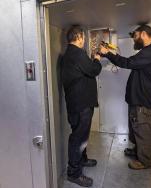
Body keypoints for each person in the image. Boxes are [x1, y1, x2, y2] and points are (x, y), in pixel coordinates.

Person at [100, 25, 151, 170]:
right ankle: (138, 151)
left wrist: (107, 54)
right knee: (136, 126)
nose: (134, 40)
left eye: (135, 36)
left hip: (144, 98)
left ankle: (145, 161)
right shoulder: (149, 51)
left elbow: (129, 62)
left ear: (143, 34)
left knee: (143, 129)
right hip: (139, 98)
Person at [61, 25, 102, 187]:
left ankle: (82, 160)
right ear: (78, 37)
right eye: (83, 37)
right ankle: (74, 173)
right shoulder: (76, 53)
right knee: (78, 138)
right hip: (81, 105)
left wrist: (91, 59)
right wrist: (97, 59)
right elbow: (93, 70)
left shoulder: (71, 55)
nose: (84, 40)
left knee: (81, 135)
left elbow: (84, 71)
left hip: (78, 104)